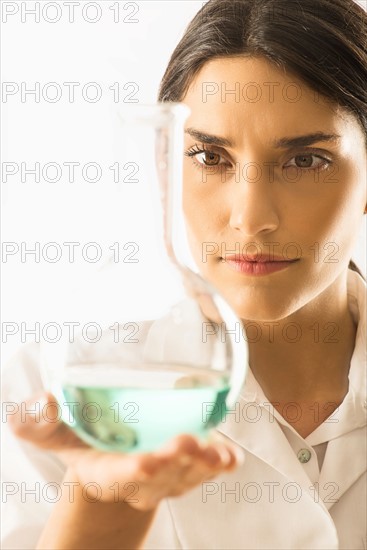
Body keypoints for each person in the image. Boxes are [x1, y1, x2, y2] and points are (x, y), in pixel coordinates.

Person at [2, 0, 366, 548]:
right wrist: (99, 507)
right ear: (168, 163)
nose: (251, 218)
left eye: (305, 160)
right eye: (210, 158)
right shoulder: (55, 394)